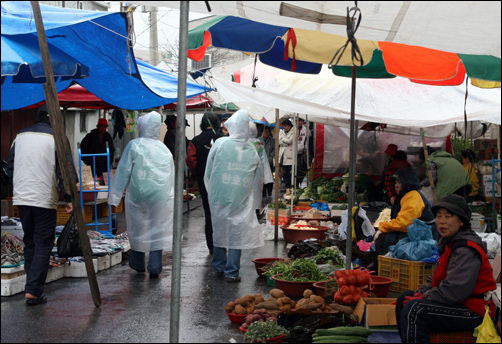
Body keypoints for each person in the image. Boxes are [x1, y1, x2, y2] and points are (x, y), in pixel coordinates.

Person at [395, 194, 497, 343]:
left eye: (448, 216)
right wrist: (421, 292)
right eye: (439, 216)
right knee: (403, 298)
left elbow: (454, 291)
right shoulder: (449, 244)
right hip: (459, 303)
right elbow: (435, 279)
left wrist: (424, 297)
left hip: (475, 311)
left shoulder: (466, 249)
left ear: (461, 221)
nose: (442, 221)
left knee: (415, 310)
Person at [7, 104, 76, 305]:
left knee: (30, 241)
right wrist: (69, 198)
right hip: (44, 198)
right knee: (43, 242)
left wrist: (17, 189)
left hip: (22, 197)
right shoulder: (57, 138)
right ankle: (34, 291)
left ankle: (32, 286)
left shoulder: (19, 136)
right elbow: (66, 171)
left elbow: (10, 167)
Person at [108, 111, 174, 278]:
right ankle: (155, 265)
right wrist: (169, 195)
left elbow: (123, 171)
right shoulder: (164, 150)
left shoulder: (134, 145)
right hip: (159, 195)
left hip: (138, 194)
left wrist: (114, 196)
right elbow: (170, 175)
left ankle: (137, 263)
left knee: (137, 226)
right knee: (156, 228)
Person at [204, 109, 264, 282]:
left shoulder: (220, 144)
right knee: (236, 234)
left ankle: (219, 266)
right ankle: (232, 271)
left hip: (219, 196)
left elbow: (208, 172)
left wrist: (212, 192)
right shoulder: (252, 149)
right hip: (241, 198)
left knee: (220, 229)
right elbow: (256, 175)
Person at [374, 167, 435, 255]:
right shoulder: (407, 195)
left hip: (421, 237)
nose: (396, 186)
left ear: (407, 182)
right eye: (395, 183)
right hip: (415, 233)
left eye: (399, 182)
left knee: (383, 239)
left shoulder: (413, 196)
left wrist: (383, 226)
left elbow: (404, 223)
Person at [186, 113, 221, 255]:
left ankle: (212, 246)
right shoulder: (224, 139)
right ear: (217, 123)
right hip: (222, 180)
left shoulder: (195, 140)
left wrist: (199, 172)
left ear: (201, 124)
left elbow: (190, 160)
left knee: (209, 211)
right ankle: (223, 243)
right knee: (223, 210)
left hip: (203, 180)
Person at [249, 121, 274, 214]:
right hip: (256, 173)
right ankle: (256, 213)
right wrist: (267, 178)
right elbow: (264, 161)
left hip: (243, 174)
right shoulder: (257, 144)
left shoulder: (239, 143)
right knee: (256, 193)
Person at [258, 126, 275, 197]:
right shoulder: (258, 141)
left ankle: (270, 191)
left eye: (268, 132)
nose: (266, 133)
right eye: (265, 132)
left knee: (269, 176)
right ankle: (263, 192)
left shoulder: (272, 140)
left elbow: (275, 149)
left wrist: (271, 156)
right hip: (261, 162)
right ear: (262, 132)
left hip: (269, 161)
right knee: (262, 177)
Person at [278, 119, 294, 191]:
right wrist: (285, 141)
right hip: (283, 155)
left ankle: (291, 186)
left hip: (290, 155)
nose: (285, 127)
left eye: (287, 126)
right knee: (285, 172)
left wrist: (282, 139)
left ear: (290, 126)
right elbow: (279, 142)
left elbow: (290, 141)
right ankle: (287, 187)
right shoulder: (281, 132)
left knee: (290, 172)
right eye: (284, 126)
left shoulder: (293, 132)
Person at [295, 118, 308, 188]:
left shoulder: (305, 129)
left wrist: (305, 149)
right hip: (292, 152)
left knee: (300, 168)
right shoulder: (293, 128)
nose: (300, 122)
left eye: (301, 121)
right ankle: (294, 184)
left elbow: (306, 140)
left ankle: (298, 183)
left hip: (301, 152)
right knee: (294, 169)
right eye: (299, 121)